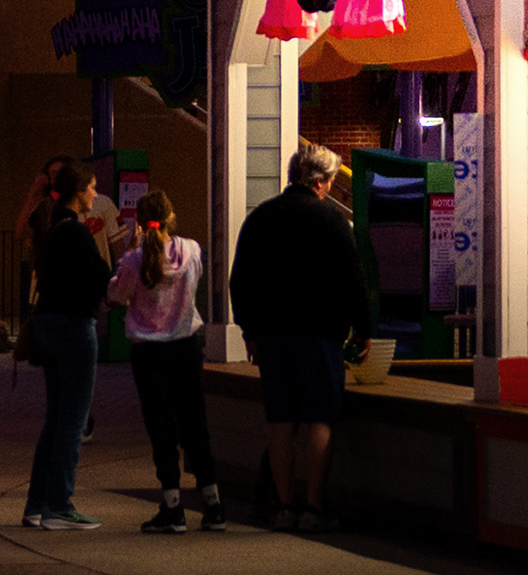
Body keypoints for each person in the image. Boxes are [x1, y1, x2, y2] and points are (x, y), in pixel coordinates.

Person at [229, 146, 373, 535]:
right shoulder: (331, 219)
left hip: (271, 336)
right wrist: (363, 328)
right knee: (319, 419)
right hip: (319, 334)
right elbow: (352, 278)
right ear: (322, 182)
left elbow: (239, 280)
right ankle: (314, 506)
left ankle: (283, 506)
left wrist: (249, 330)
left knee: (280, 421)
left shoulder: (261, 218)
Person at [108, 188, 223, 534]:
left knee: (161, 427)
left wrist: (127, 255)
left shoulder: (134, 260)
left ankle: (173, 507)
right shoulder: (191, 250)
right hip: (186, 346)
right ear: (172, 217)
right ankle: (213, 504)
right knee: (194, 424)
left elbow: (116, 294)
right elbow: (196, 279)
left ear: (139, 223)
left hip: (149, 352)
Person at [19, 162, 110, 532]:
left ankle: (37, 505)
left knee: (55, 420)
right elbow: (101, 277)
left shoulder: (56, 229)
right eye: (91, 188)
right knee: (73, 420)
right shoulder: (75, 231)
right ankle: (60, 505)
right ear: (78, 192)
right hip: (74, 326)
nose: (95, 194)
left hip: (48, 324)